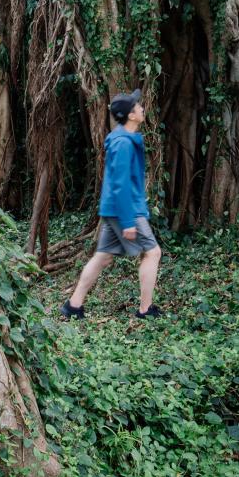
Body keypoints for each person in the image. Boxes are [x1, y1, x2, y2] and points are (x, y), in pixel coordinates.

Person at [61, 89, 164, 321]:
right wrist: (128, 221)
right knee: (152, 253)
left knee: (103, 257)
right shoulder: (123, 143)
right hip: (125, 210)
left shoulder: (123, 139)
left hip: (115, 208)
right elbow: (120, 184)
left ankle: (73, 306)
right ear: (130, 115)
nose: (142, 109)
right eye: (137, 107)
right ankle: (146, 310)